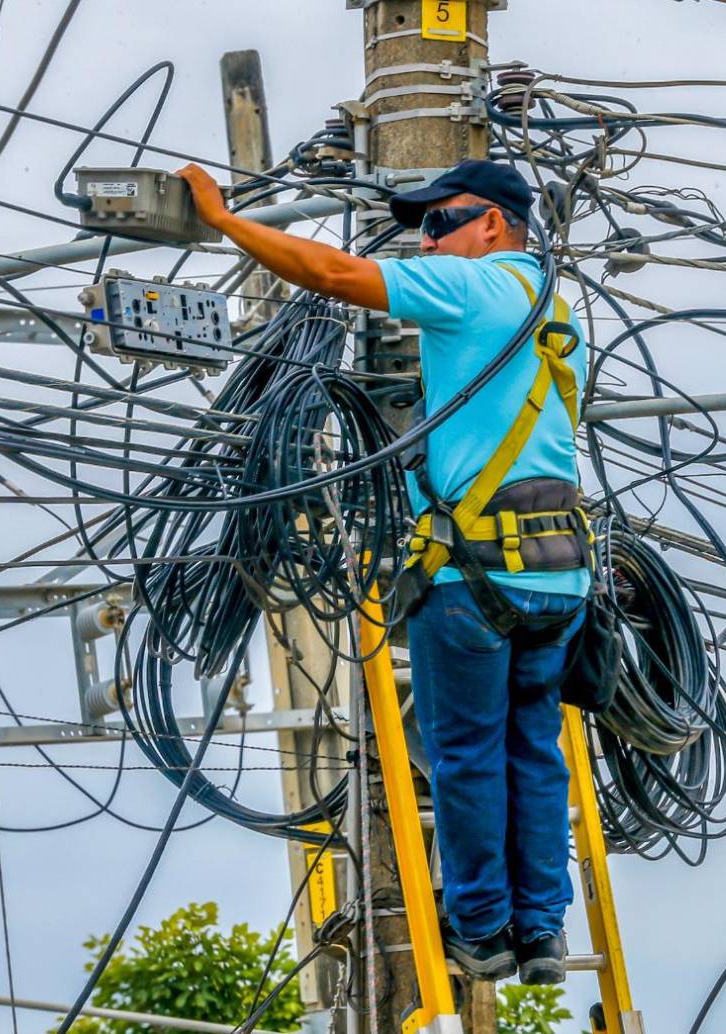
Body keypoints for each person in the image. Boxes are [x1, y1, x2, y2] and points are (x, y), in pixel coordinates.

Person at [178, 159, 590, 986]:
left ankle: (482, 930)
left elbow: (332, 274)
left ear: (495, 225)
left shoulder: (475, 292)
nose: (428, 241)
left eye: (443, 224)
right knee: (533, 755)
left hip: (473, 577)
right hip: (560, 578)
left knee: (468, 756)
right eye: (422, 229)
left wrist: (225, 221)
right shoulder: (551, 303)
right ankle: (542, 931)